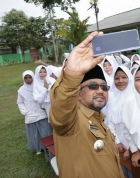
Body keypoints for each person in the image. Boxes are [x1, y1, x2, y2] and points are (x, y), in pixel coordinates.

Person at [49, 31, 123, 178]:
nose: (100, 90)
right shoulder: (72, 121)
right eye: (93, 86)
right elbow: (61, 109)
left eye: (104, 86)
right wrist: (72, 75)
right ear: (78, 93)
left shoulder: (99, 119)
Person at [107, 66, 133, 178]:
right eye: (117, 78)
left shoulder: (135, 97)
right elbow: (110, 122)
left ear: (130, 78)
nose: (120, 81)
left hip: (134, 148)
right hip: (118, 145)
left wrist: (131, 149)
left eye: (124, 77)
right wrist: (117, 142)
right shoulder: (112, 98)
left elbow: (138, 128)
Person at [17, 70, 52, 155]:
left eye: (30, 77)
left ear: (33, 77)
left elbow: (44, 97)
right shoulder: (21, 90)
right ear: (23, 79)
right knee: (34, 133)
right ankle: (38, 148)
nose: (28, 79)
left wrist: (43, 106)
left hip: (41, 112)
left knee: (45, 130)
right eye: (26, 78)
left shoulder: (38, 86)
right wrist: (25, 112)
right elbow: (20, 102)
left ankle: (49, 146)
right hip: (30, 114)